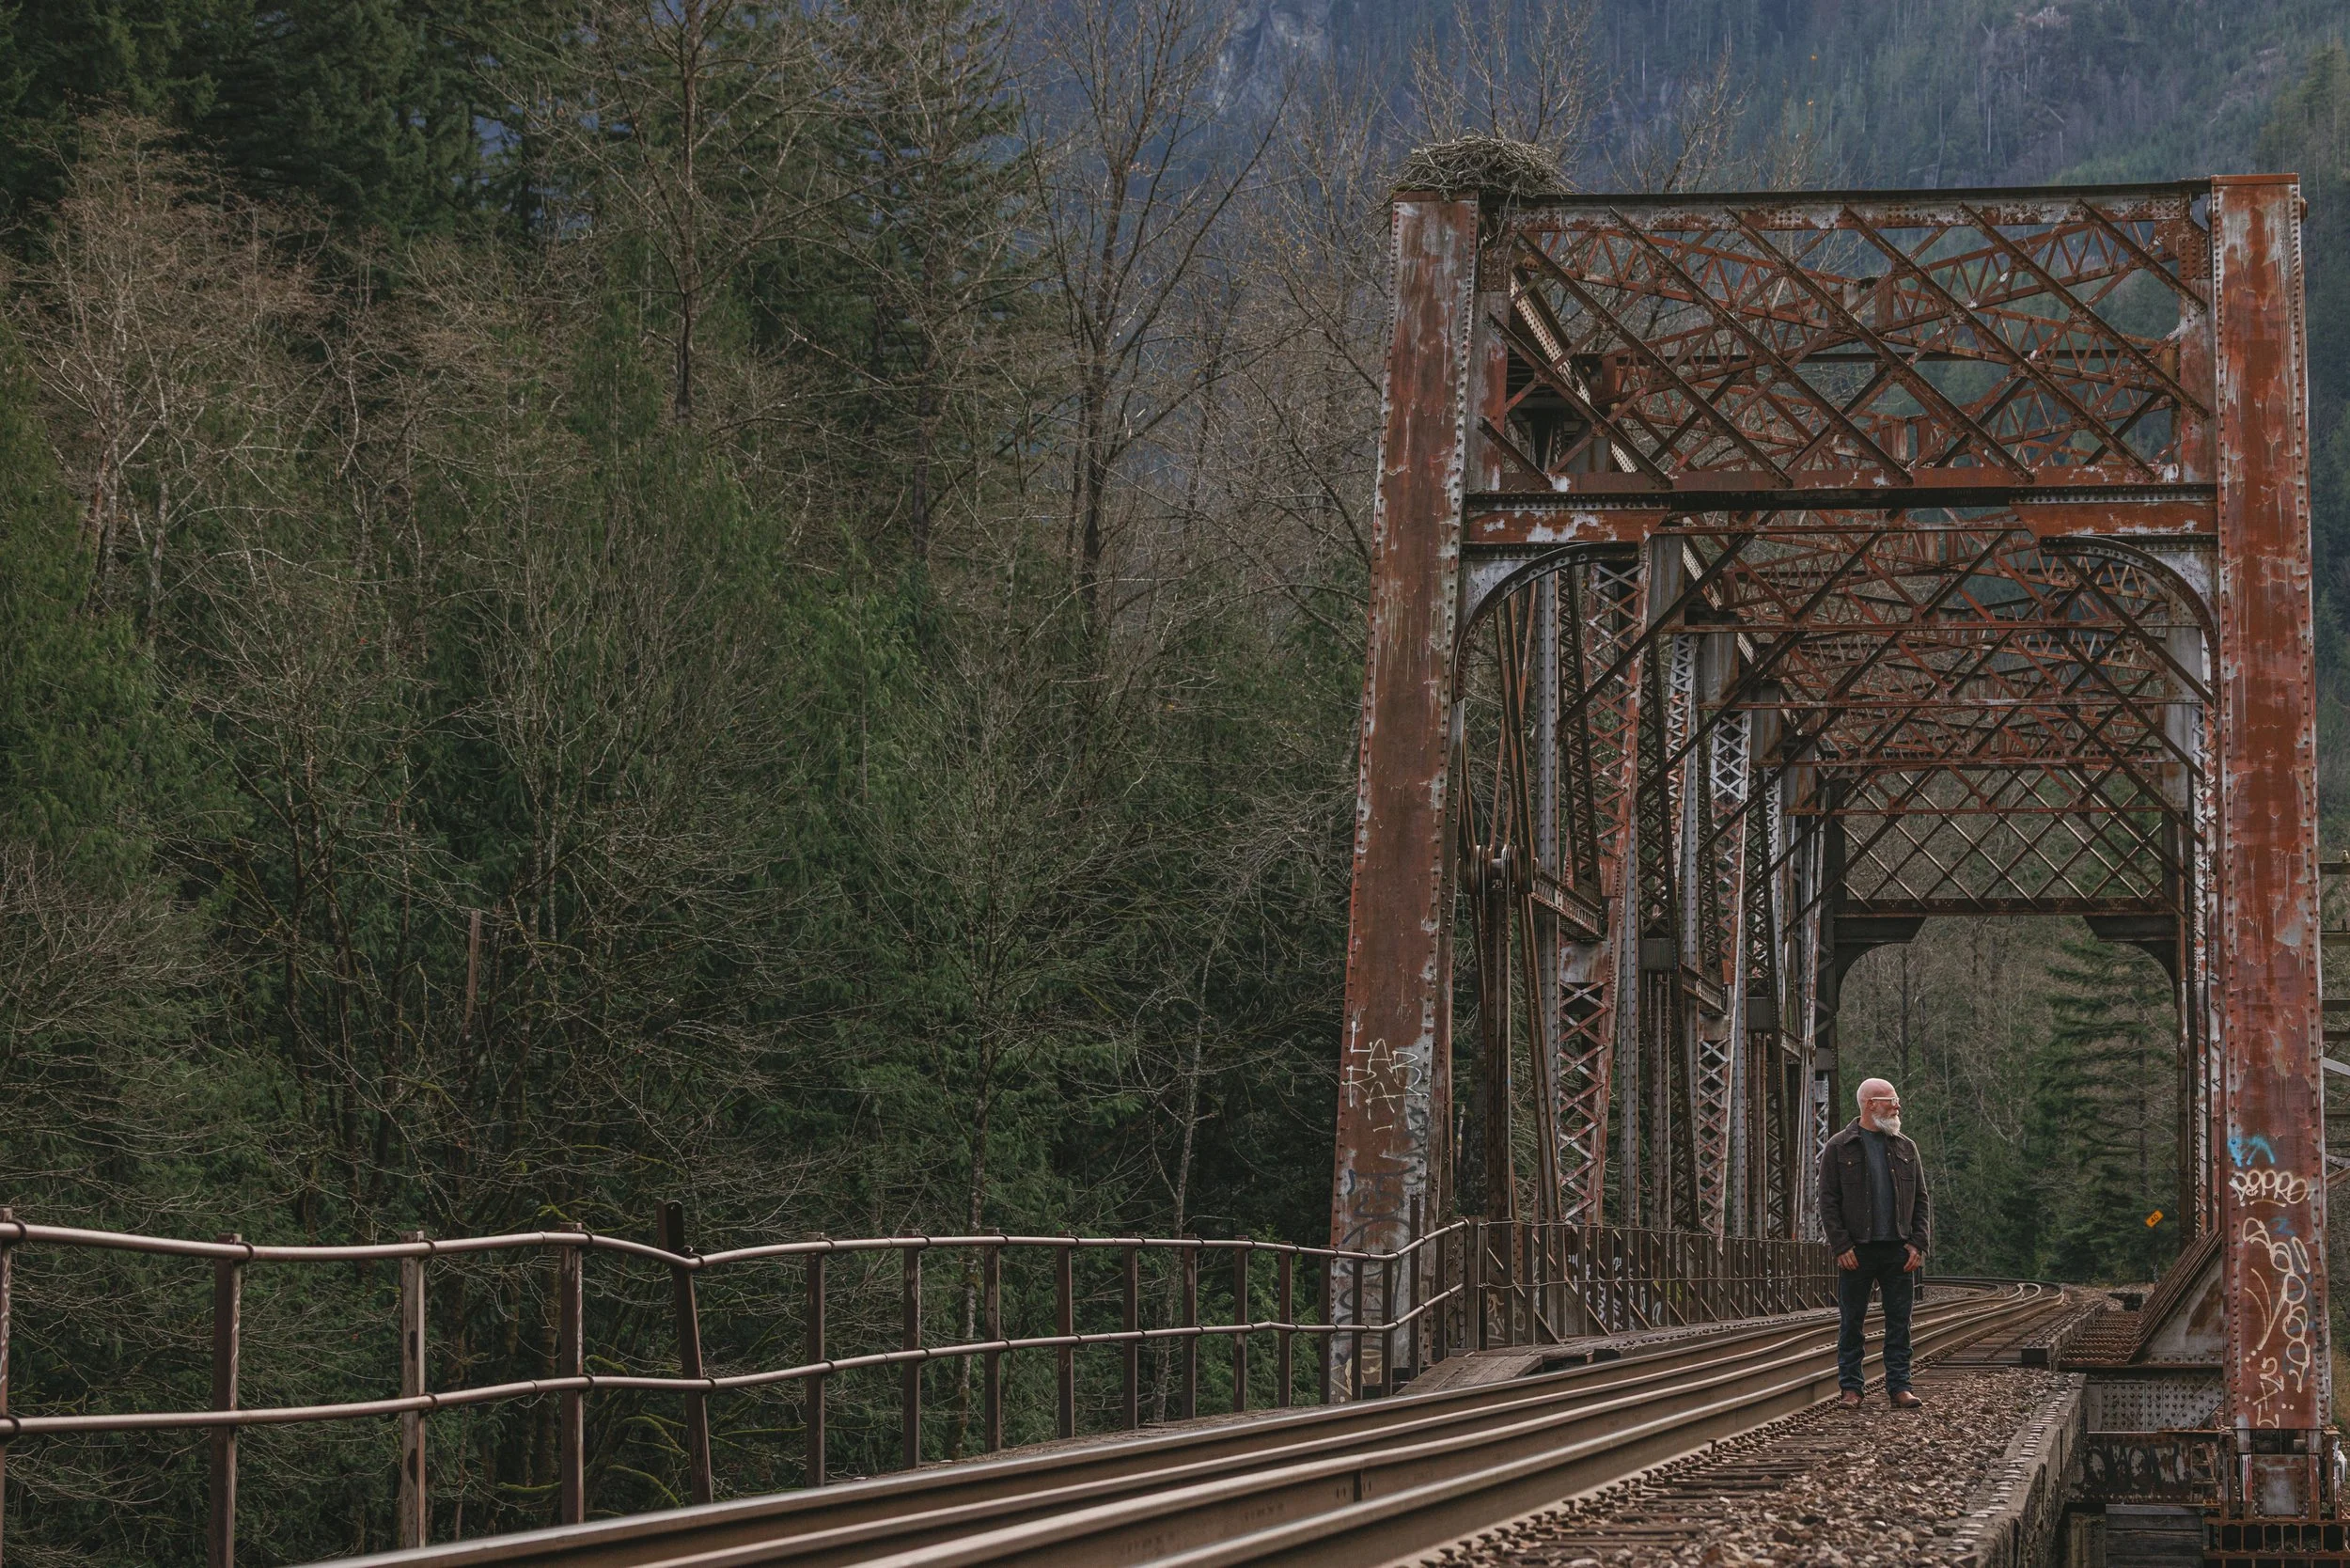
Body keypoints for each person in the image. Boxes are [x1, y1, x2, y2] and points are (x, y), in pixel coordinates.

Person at [1816, 1076, 1931, 1409]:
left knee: (1900, 1322)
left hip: (1898, 1249)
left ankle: (1900, 1386)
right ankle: (1851, 1389)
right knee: (1852, 1321)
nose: (1897, 1106)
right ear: (1870, 1104)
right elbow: (1828, 1201)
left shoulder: (1906, 1147)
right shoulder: (1840, 1146)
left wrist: (1918, 1244)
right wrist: (1840, 1246)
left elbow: (1921, 1199)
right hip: (1857, 1250)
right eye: (1890, 1100)